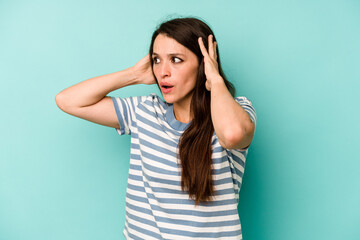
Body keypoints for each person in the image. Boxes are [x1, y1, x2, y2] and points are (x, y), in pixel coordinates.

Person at [56, 17, 256, 240]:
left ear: (203, 64)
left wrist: (215, 80)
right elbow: (68, 101)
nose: (163, 72)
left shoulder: (237, 111)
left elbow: (232, 135)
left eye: (176, 60)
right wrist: (133, 75)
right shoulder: (144, 111)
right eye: (157, 60)